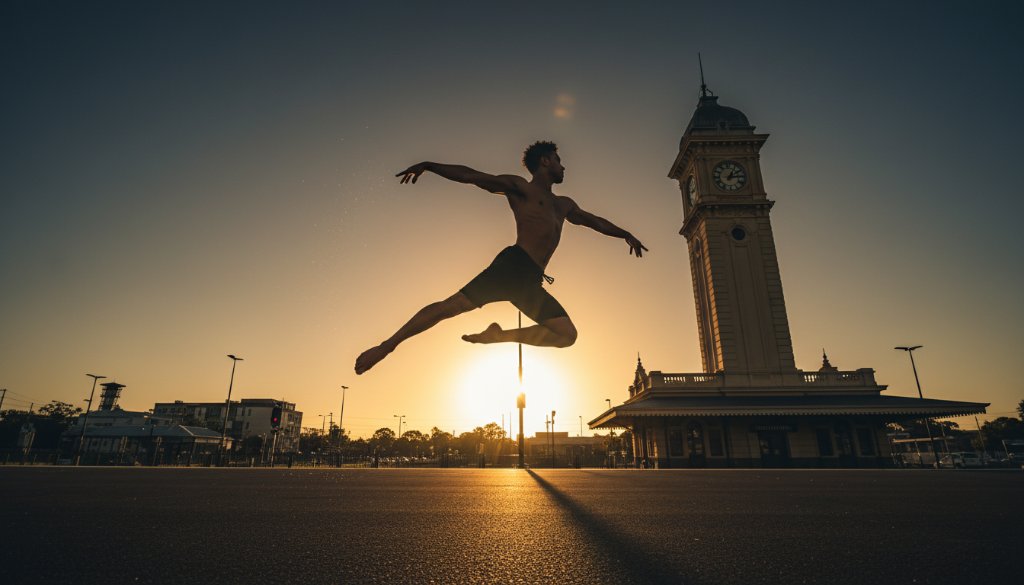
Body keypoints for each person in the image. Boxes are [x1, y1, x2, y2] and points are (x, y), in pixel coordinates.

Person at [354, 141, 647, 375]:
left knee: (566, 335)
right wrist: (430, 165)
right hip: (512, 266)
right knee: (450, 307)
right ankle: (386, 346)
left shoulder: (564, 205)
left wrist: (624, 234)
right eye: (558, 160)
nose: (563, 166)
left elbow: (593, 220)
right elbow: (473, 177)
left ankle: (498, 336)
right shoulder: (521, 188)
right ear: (545, 162)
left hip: (530, 281)